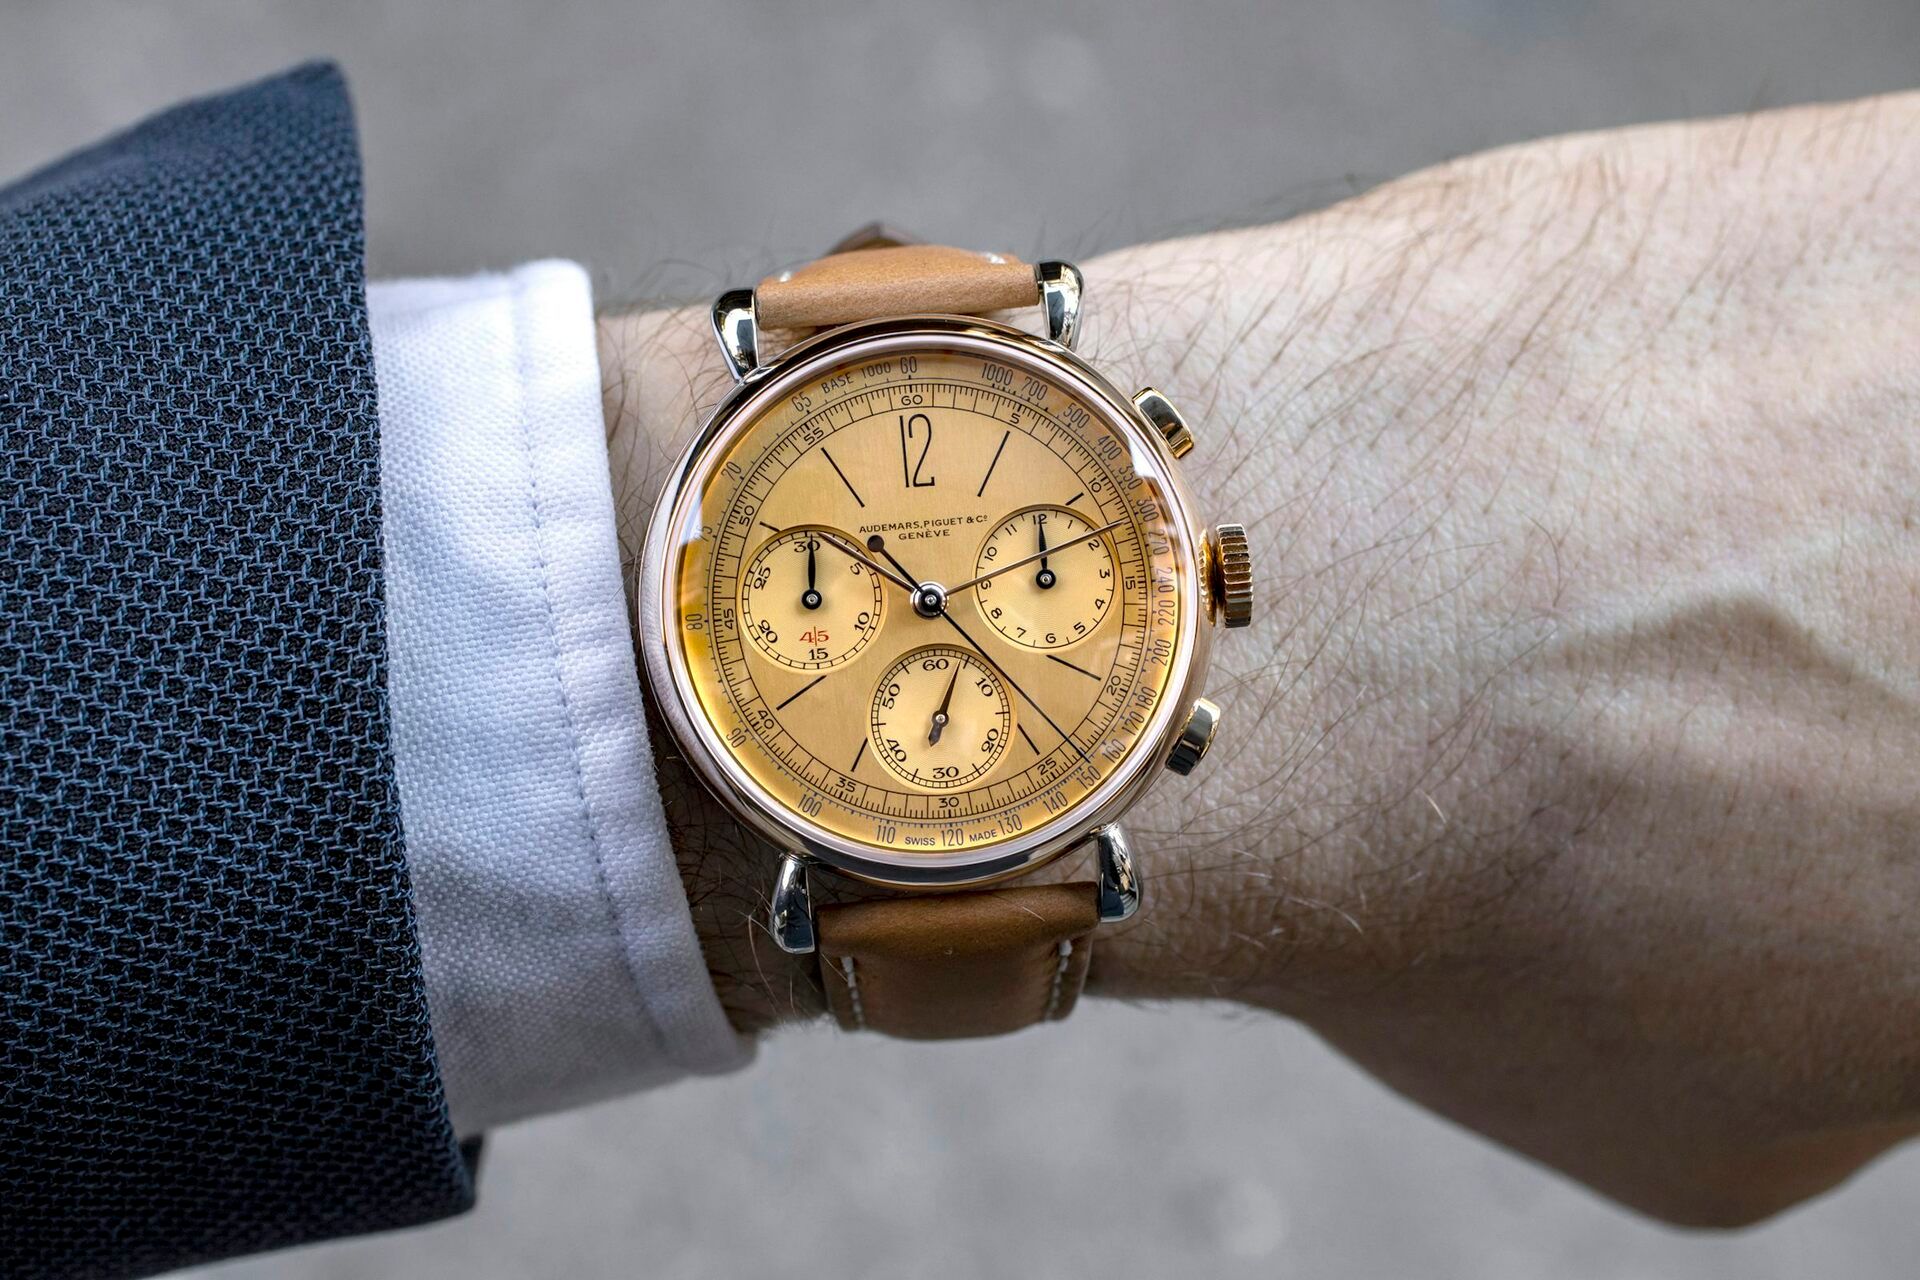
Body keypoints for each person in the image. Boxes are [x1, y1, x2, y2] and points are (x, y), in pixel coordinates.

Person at [2, 62, 1915, 1278]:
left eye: (1009, 574)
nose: (929, 599)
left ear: (1206, 587)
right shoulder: (904, 456)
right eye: (900, 586)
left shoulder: (1120, 602)